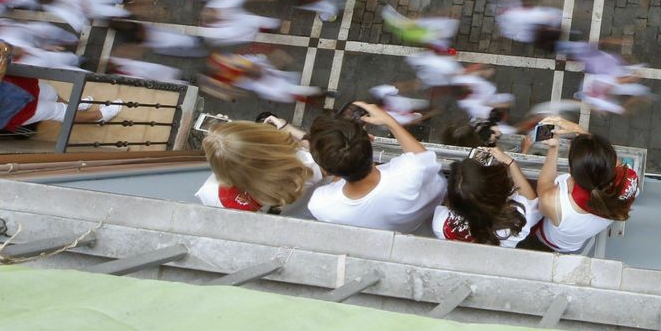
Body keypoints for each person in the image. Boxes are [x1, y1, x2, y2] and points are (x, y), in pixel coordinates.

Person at [306, 101, 444, 232]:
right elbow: (425, 158)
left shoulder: (320, 204)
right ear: (371, 139)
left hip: (409, 227)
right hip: (438, 203)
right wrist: (390, 122)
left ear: (326, 170)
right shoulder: (411, 170)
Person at [527, 119, 637, 252]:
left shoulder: (555, 203)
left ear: (571, 171)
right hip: (573, 242)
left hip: (550, 239)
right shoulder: (629, 179)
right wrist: (580, 130)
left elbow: (543, 186)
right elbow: (605, 159)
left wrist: (553, 148)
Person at [197, 116, 321, 214]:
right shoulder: (302, 167)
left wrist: (226, 143)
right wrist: (288, 128)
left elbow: (230, 156)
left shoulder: (209, 193)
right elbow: (329, 156)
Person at [432, 146, 540, 246]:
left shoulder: (440, 224)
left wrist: (471, 179)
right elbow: (532, 202)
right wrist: (511, 163)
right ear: (493, 190)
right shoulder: (514, 221)